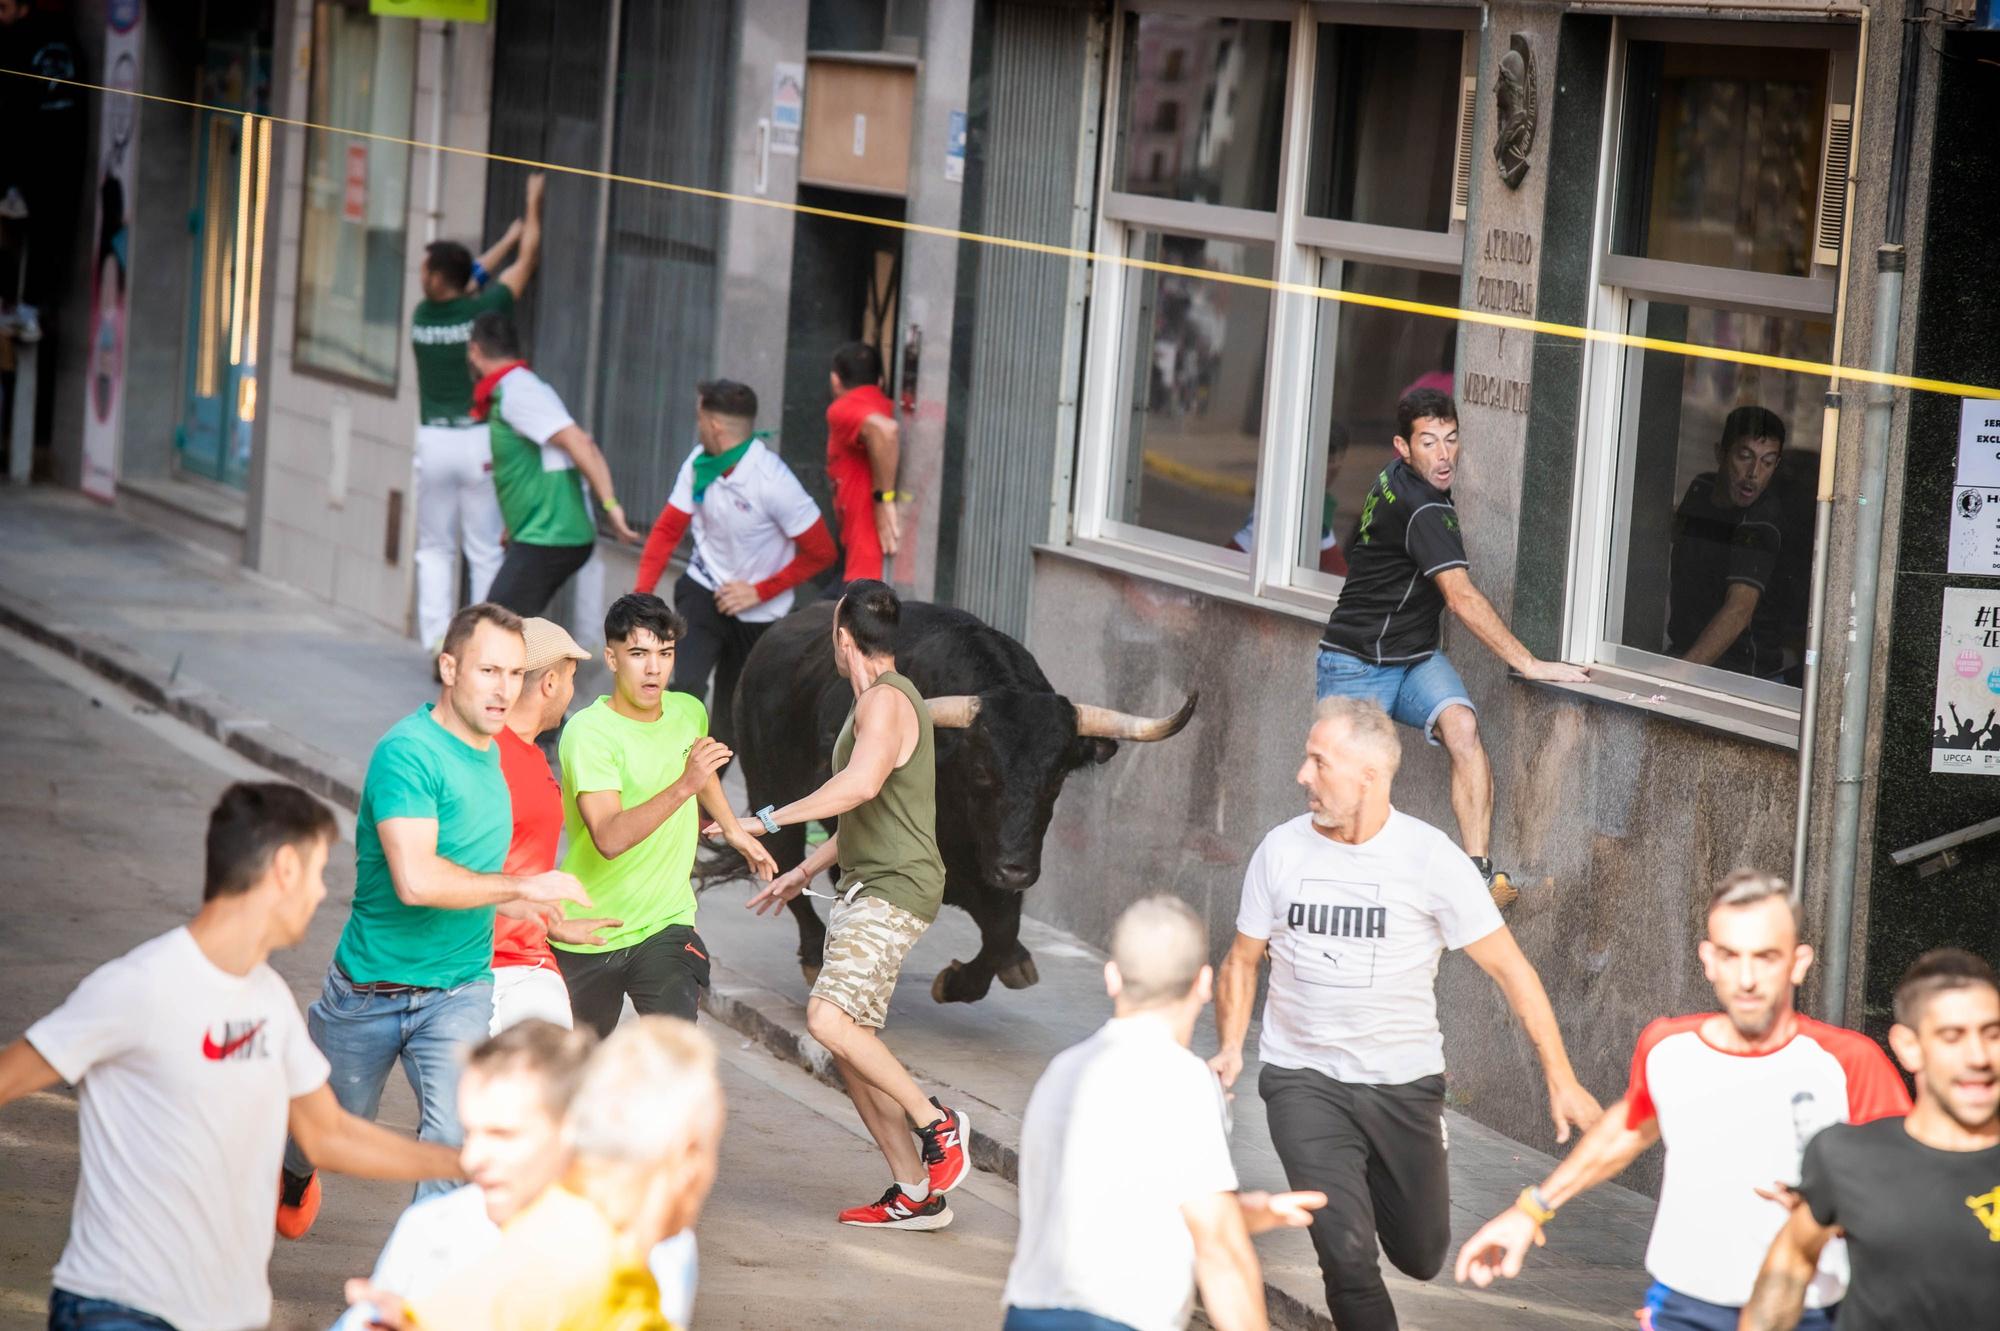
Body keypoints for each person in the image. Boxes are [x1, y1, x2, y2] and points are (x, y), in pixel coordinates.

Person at [0, 783, 461, 1331]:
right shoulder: (142, 985)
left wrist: (465, 1164)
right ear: (285, 869)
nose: (320, 894)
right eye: (317, 872)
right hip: (119, 1307)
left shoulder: (267, 998)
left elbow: (328, 1135)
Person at [1209, 696, 1602, 1331]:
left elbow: (1512, 970)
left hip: (1403, 1083)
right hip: (1301, 1078)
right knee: (1347, 1256)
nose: (1302, 776)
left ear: (1369, 774)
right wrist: (1232, 1045)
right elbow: (1241, 960)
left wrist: (1560, 1076)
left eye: (1318, 761)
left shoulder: (1431, 858)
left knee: (1420, 1256)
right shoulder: (1280, 850)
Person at [1453, 871, 1911, 1331]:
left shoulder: (1850, 1061)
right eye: (1731, 956)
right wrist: (1531, 1209)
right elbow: (1628, 1130)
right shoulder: (1669, 1046)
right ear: (1708, 959)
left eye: (1766, 957)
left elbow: (1910, 1187)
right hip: (1683, 1308)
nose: (1747, 978)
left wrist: (1827, 1212)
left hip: (1812, 1314)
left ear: (1798, 962)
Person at [280, 603, 590, 1237]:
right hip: (371, 988)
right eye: (487, 670)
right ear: (449, 668)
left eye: (512, 672)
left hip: (459, 991)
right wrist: (522, 883)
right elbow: (418, 880)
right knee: (333, 1126)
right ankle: (290, 1169)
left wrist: (540, 915)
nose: (504, 688)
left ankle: (412, 1296)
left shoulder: (504, 759)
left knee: (455, 1143)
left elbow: (474, 877)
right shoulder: (408, 753)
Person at [743, 580, 974, 1227]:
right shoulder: (879, 703)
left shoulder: (885, 704)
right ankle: (913, 1189)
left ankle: (940, 1123)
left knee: (828, 1017)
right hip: (870, 880)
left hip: (894, 887)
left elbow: (860, 783)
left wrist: (767, 818)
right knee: (852, 1043)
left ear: (843, 639)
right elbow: (874, 807)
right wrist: (805, 867)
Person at [1315, 388, 1589, 906]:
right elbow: (1460, 599)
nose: (1443, 456)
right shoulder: (1420, 508)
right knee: (1345, 803)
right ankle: (1313, 905)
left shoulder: (1402, 479)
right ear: (1402, 446)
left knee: (1462, 724)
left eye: (1451, 440)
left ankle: (1476, 874)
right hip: (1356, 662)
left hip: (1413, 655)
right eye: (1428, 443)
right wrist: (1530, 664)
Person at [1004, 896, 1326, 1331]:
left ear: (1112, 977)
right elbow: (1220, 1253)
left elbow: (1119, 1208)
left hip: (1028, 1314)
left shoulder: (1063, 1070)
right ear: (1205, 983)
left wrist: (1247, 1213)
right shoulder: (1183, 1081)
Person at [353, 1017, 726, 1331]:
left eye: (504, 1134)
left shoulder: (662, 1246)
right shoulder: (432, 1229)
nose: (471, 1159)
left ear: (573, 1130)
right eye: (472, 1133)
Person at [1741, 949, 2000, 1331]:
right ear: (1909, 1047)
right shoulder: (1844, 1155)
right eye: (1952, 1037)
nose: (1977, 1056)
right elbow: (1791, 1262)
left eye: (1992, 1034)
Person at [553, 594, 776, 1035]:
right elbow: (609, 838)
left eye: (665, 653)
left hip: (666, 923)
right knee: (573, 1074)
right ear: (612, 658)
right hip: (593, 928)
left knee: (674, 1059)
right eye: (638, 654)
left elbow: (701, 766)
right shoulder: (589, 734)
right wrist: (684, 786)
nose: (654, 668)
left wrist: (732, 828)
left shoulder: (688, 711)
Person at [634, 379, 836, 753]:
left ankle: (701, 806)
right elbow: (666, 531)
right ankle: (666, 777)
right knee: (687, 688)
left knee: (731, 717)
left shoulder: (774, 483)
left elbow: (822, 552)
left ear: (714, 426)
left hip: (759, 611)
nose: (698, 427)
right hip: (703, 588)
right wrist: (640, 598)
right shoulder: (699, 463)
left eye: (699, 419)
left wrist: (758, 591)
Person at [410, 173, 545, 654]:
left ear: (433, 279)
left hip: (434, 440)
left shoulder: (424, 315)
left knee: (434, 549)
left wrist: (503, 239)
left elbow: (473, 274)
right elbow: (524, 262)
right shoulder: (482, 309)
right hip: (478, 441)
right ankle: (487, 643)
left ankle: (434, 642)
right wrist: (530, 210)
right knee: (485, 549)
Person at [491, 618, 625, 1034]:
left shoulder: (529, 756)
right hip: (484, 970)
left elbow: (519, 861)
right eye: (570, 678)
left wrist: (553, 924)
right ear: (549, 683)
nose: (571, 692)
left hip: (530, 961)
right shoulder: (486, 758)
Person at [467, 312, 642, 617]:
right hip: (543, 532)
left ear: (475, 351)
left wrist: (610, 504)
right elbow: (542, 457)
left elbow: (580, 442)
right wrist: (513, 522)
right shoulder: (520, 387)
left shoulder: (518, 393)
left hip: (551, 534)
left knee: (494, 627)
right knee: (511, 630)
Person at [1667, 406, 1789, 678]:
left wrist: (1679, 673)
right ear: (1720, 453)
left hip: (1745, 675)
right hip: (1687, 652)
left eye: (1767, 462)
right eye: (1745, 457)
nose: (1754, 473)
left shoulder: (1763, 519)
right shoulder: (1700, 490)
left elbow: (1739, 609)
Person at [825, 341, 902, 584]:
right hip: (889, 559)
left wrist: (883, 499)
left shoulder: (842, 409)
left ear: (835, 380)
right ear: (880, 381)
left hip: (866, 564)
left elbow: (886, 430)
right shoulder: (889, 406)